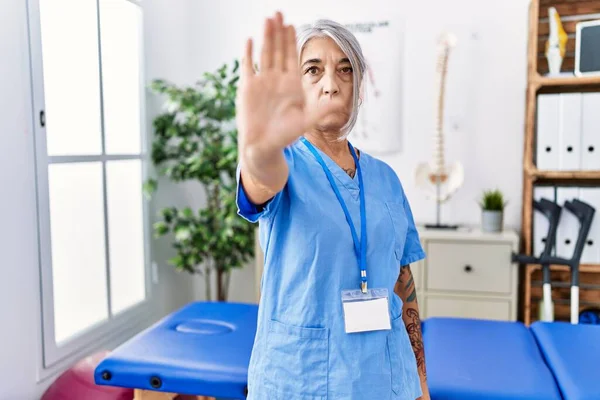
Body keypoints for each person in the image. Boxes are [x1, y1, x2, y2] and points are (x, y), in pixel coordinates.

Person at [235, 11, 429, 400]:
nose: (331, 84)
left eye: (345, 70)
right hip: (299, 380)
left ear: (359, 88)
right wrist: (259, 147)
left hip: (388, 380)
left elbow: (402, 281)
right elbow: (260, 177)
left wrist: (421, 382)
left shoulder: (385, 178)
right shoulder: (283, 162)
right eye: (313, 70)